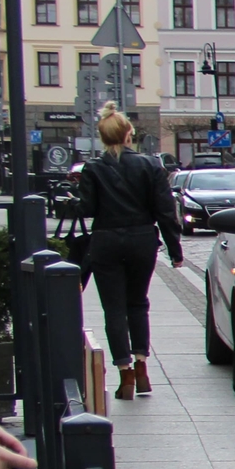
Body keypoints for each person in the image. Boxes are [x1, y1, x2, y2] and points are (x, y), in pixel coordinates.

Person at [74, 105, 184, 401]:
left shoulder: (94, 168)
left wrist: (75, 197)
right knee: (138, 303)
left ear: (102, 136)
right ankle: (142, 366)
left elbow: (86, 210)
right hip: (141, 240)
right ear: (128, 134)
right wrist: (175, 251)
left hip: (106, 241)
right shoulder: (151, 166)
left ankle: (124, 374)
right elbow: (165, 212)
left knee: (114, 309)